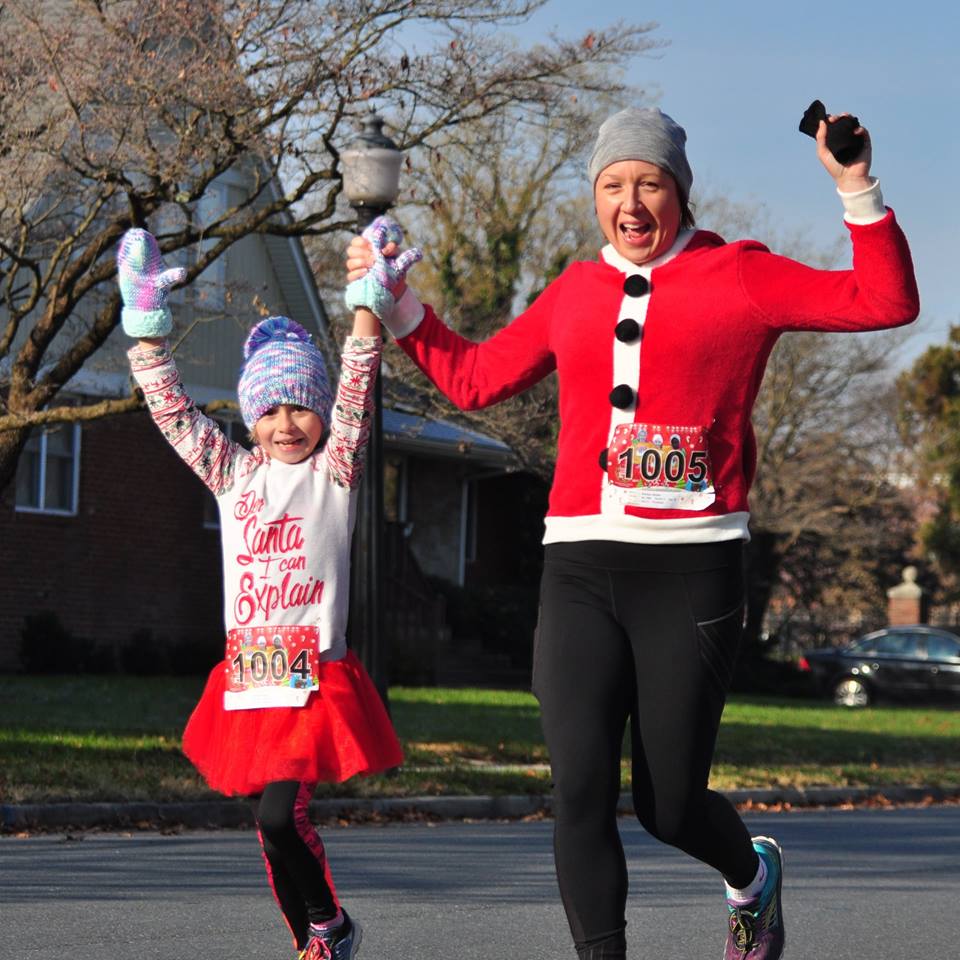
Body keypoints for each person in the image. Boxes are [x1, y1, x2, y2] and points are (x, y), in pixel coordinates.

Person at [345, 108, 919, 960]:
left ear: (680, 192)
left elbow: (885, 300)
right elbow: (474, 380)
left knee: (670, 805)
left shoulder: (740, 276)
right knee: (578, 788)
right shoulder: (574, 290)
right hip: (579, 562)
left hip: (693, 568)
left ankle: (752, 879)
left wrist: (855, 187)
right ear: (596, 199)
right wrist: (398, 310)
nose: (631, 201)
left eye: (649, 182)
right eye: (613, 185)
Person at [117, 221, 419, 960]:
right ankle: (317, 937)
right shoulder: (234, 475)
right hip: (251, 683)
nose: (288, 424)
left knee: (284, 818)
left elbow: (355, 379)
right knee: (269, 825)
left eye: (300, 407)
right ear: (252, 419)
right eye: (272, 410)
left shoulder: (334, 473)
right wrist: (149, 332)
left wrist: (366, 304)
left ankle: (332, 926)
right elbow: (173, 414)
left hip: (312, 681)